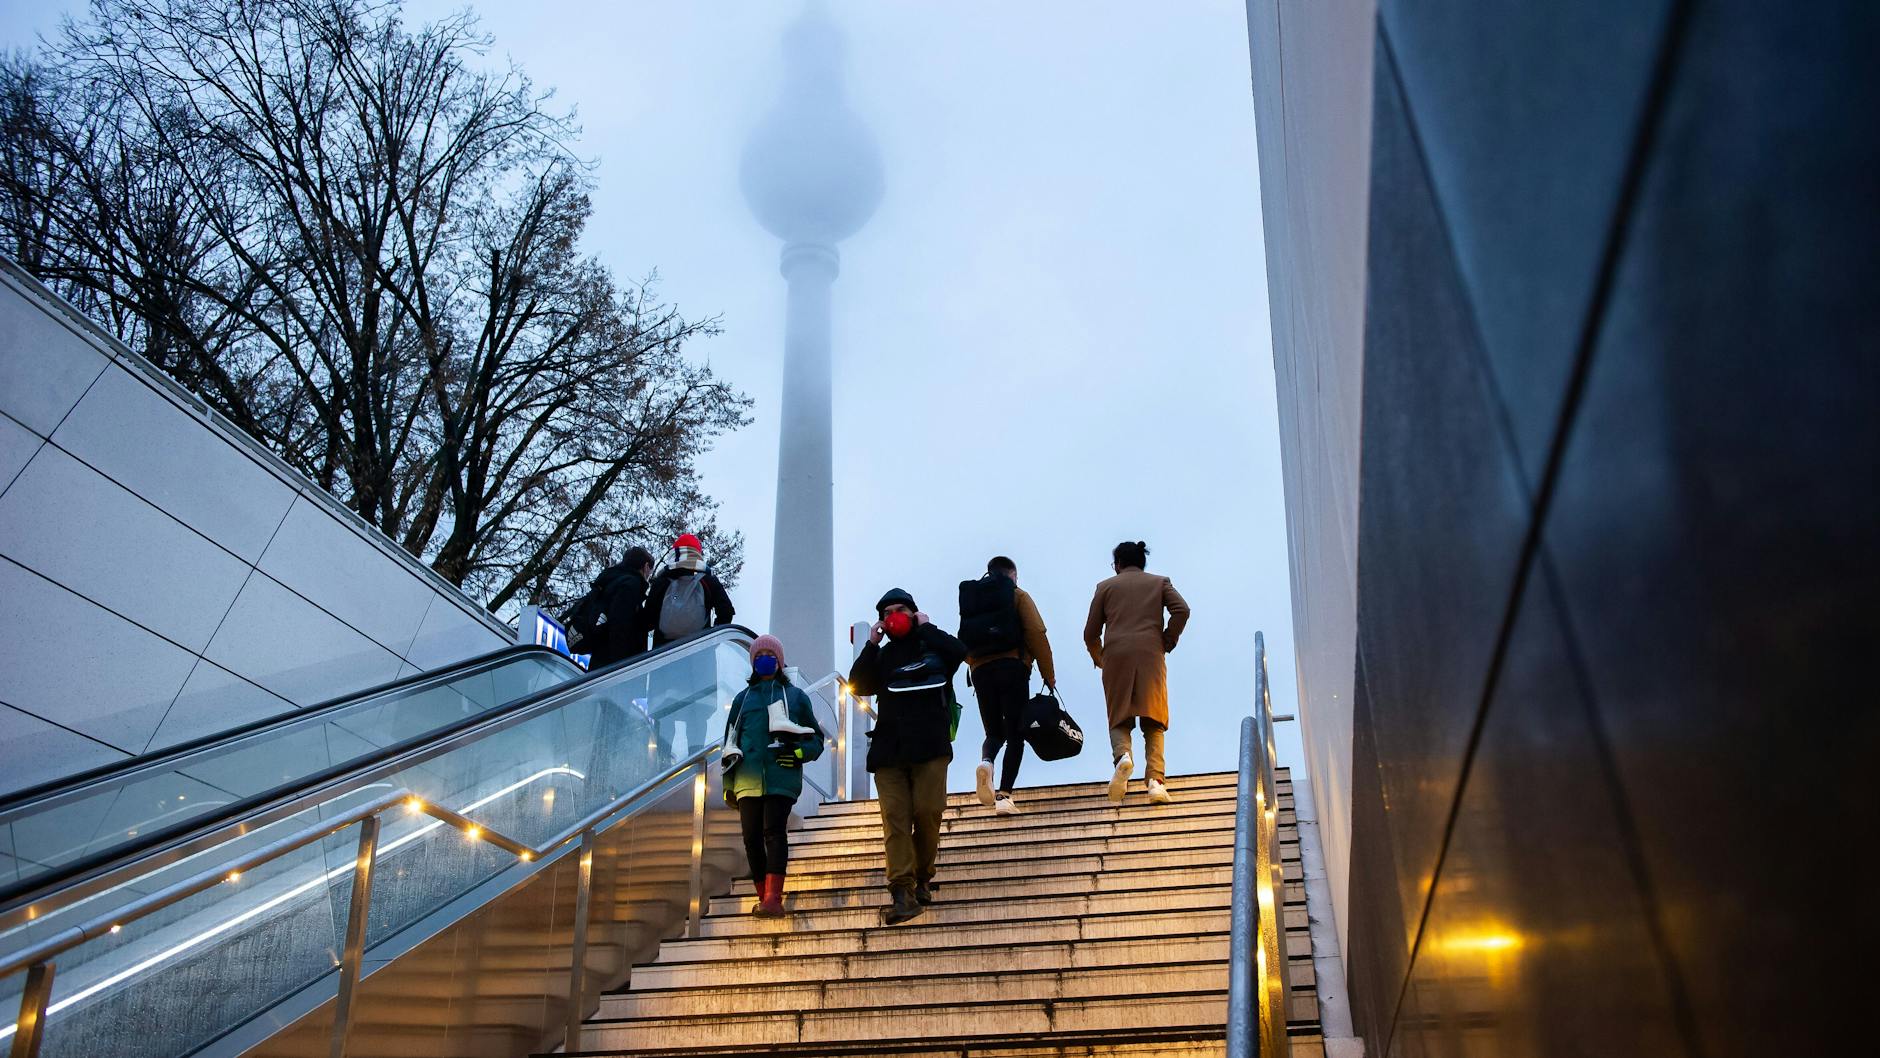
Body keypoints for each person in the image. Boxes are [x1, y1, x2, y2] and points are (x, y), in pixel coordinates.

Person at [847, 588, 967, 925]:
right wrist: (871, 643)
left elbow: (960, 652)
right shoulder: (883, 657)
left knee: (928, 812)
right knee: (895, 820)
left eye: (900, 609)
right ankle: (902, 890)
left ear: (914, 612)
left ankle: (923, 877)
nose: (893, 616)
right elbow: (858, 684)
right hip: (889, 750)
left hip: (931, 746)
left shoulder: (933, 647)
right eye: (887, 613)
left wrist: (926, 628)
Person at [721, 635, 825, 917]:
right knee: (750, 837)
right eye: (758, 655)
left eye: (769, 654)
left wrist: (800, 754)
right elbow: (730, 742)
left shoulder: (796, 697)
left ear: (780, 660)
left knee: (773, 831)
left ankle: (772, 898)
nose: (763, 658)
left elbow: (816, 739)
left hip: (781, 776)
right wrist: (729, 785)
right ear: (752, 661)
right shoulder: (742, 700)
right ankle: (763, 895)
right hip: (746, 779)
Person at [1083, 541, 1190, 805]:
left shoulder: (1105, 587)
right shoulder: (1160, 582)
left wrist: (1100, 658)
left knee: (1119, 716)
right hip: (1150, 654)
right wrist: (1167, 640)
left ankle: (1123, 757)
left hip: (1116, 655)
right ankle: (1155, 781)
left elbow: (1090, 633)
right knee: (1154, 720)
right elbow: (1182, 610)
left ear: (1118, 564)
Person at [961, 556, 1058, 816]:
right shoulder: (1018, 596)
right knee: (1016, 734)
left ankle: (986, 762)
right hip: (1013, 668)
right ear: (1012, 575)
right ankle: (1004, 796)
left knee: (994, 733)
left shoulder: (975, 599)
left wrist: (976, 663)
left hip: (981, 672)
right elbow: (1036, 633)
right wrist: (1049, 675)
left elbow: (966, 639)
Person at [644, 533, 736, 647]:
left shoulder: (661, 581)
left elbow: (647, 621)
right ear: (697, 554)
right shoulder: (707, 580)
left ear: (675, 553)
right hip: (700, 650)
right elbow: (726, 611)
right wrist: (711, 638)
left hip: (664, 653)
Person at [582, 546, 656, 669]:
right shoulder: (630, 585)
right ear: (646, 566)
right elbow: (620, 624)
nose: (649, 575)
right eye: (650, 571)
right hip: (615, 665)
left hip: (599, 657)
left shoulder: (611, 581)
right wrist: (622, 665)